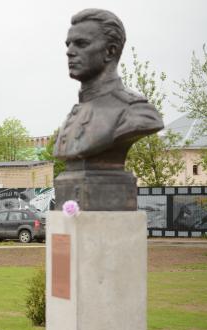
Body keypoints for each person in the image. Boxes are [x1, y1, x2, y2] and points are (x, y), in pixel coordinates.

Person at [53, 9, 163, 210]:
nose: (69, 51)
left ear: (110, 51)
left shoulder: (136, 113)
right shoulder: (75, 113)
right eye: (68, 44)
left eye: (81, 43)